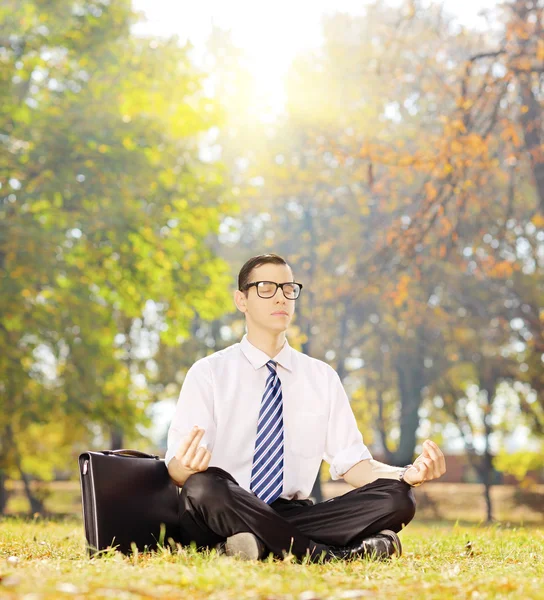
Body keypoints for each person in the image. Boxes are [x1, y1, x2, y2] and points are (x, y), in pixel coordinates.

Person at [165, 253, 446, 562]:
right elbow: (177, 471)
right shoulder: (209, 372)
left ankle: (250, 546)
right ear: (241, 300)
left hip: (291, 511)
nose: (280, 297)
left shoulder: (321, 377)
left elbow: (353, 464)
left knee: (397, 498)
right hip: (222, 506)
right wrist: (184, 468)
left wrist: (407, 473)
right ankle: (330, 556)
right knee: (204, 486)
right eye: (266, 288)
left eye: (288, 288)